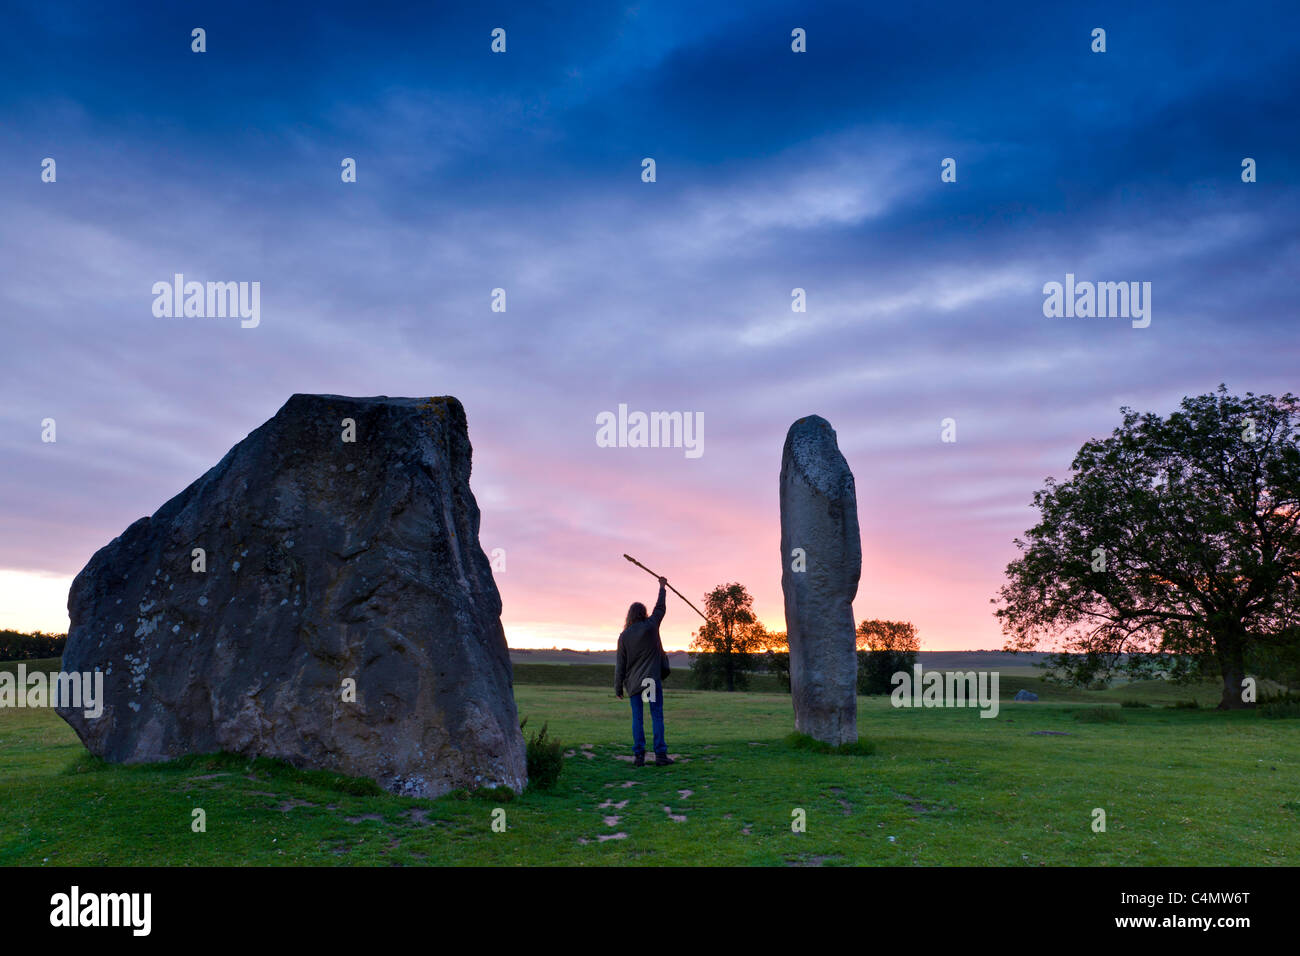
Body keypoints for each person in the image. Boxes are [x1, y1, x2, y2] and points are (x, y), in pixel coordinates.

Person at [614, 576, 673, 767]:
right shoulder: (650, 627)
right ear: (644, 613)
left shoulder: (624, 636)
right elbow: (660, 608)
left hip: (633, 683)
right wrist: (662, 587)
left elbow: (620, 664)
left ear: (630, 615)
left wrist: (618, 688)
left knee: (637, 719)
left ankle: (639, 756)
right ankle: (660, 755)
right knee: (656, 715)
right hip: (650, 682)